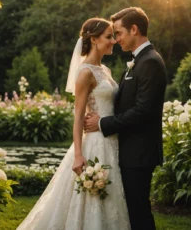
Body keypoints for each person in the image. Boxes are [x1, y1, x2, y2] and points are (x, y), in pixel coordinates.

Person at [17, 17, 130, 230]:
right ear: (94, 40)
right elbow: (78, 115)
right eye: (108, 37)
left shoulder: (104, 70)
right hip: (95, 143)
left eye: (114, 36)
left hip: (111, 140)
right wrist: (78, 154)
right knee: (93, 195)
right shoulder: (85, 72)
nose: (113, 41)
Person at [84, 7, 167, 230]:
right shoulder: (136, 61)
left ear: (134, 29)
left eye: (118, 33)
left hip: (139, 153)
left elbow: (143, 111)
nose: (116, 39)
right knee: (131, 211)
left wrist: (102, 123)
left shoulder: (150, 62)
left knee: (138, 212)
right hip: (128, 149)